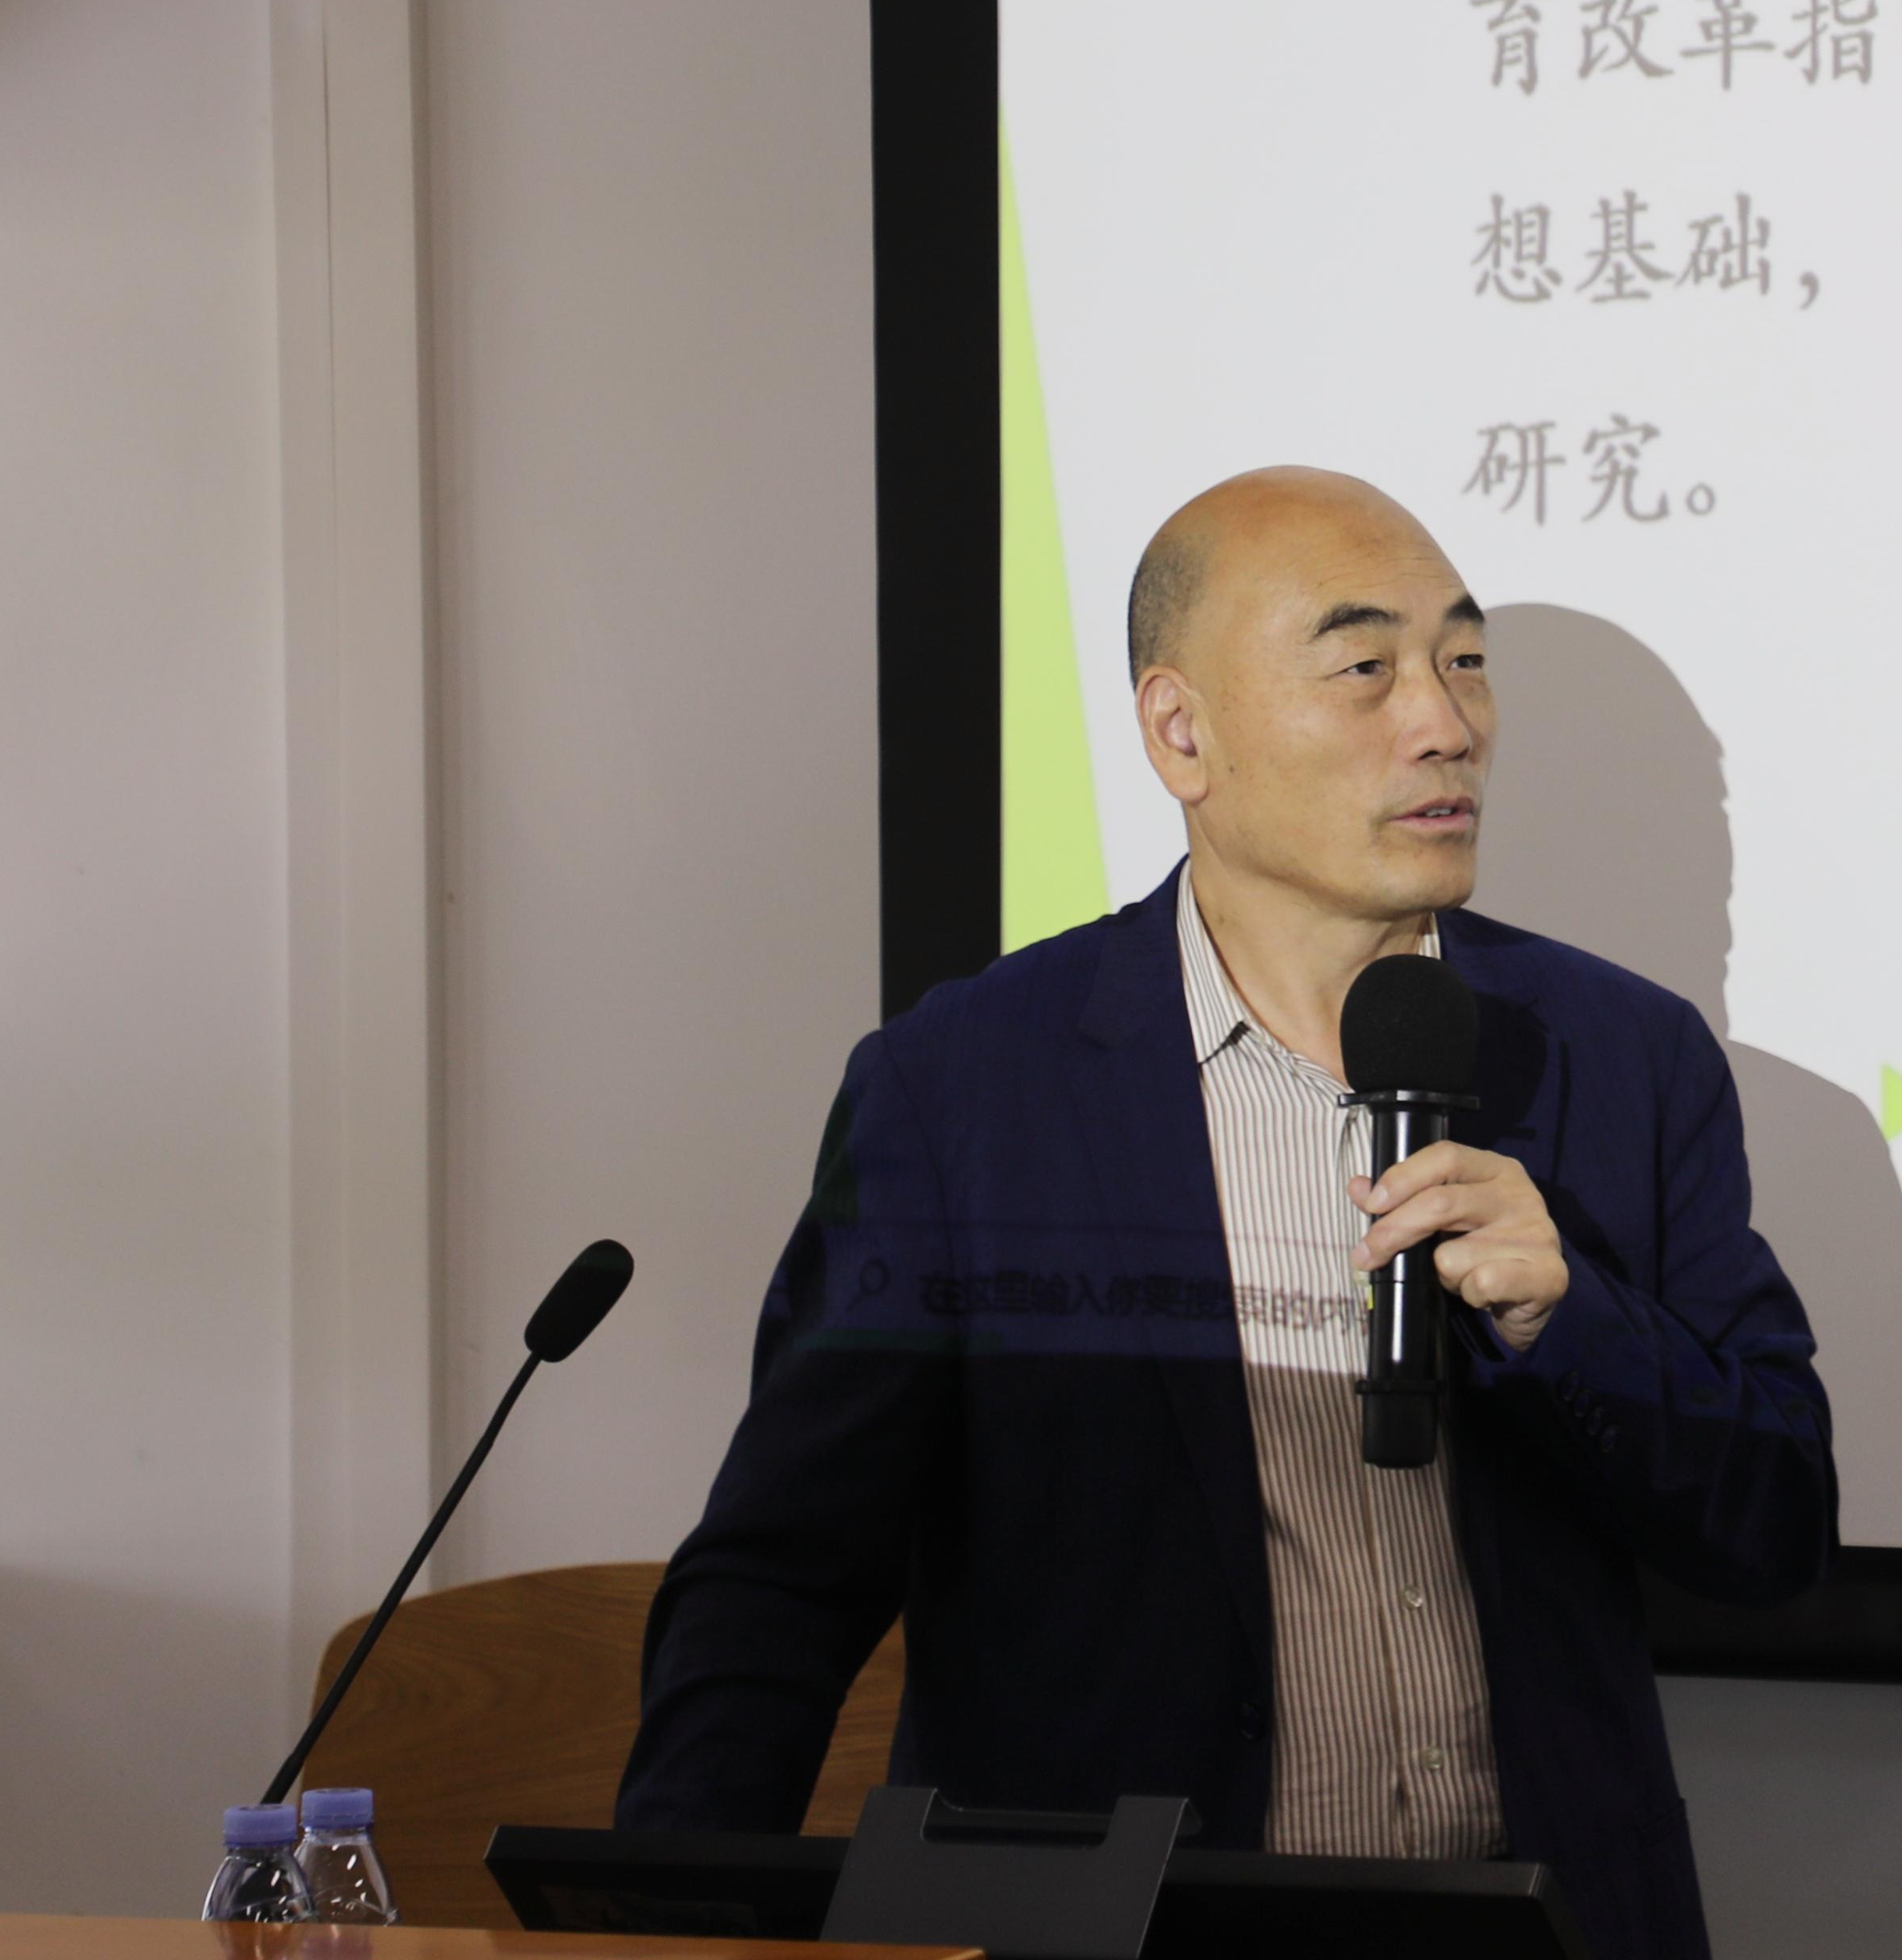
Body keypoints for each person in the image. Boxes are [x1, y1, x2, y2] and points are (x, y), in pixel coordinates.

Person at [616, 467, 1835, 1960]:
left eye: (1463, 660)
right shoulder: (964, 1089)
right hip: (1118, 1932)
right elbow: (782, 1576)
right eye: (1364, 667)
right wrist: (659, 1920)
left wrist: (1570, 1321)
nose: (1443, 721)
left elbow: (1776, 1523)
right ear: (1178, 731)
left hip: (1541, 1920)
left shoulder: (1622, 1057)